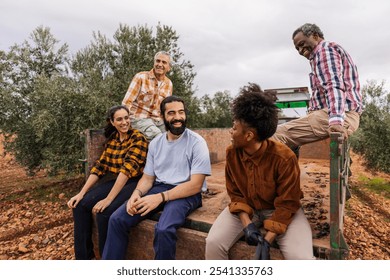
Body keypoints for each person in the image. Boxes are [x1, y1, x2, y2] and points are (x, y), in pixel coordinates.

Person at [205, 83, 315, 260]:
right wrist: (247, 225)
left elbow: (288, 202)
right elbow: (235, 193)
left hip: (280, 211)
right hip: (247, 209)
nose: (230, 132)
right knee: (213, 243)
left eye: (234, 128)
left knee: (301, 259)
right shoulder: (232, 153)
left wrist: (268, 239)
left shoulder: (284, 158)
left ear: (248, 136)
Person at [102, 95, 211, 260]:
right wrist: (136, 195)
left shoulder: (197, 142)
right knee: (117, 219)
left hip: (186, 192)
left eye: (181, 112)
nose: (177, 117)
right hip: (159, 187)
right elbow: (147, 178)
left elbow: (196, 185)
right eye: (172, 113)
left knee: (163, 229)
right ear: (163, 117)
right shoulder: (155, 143)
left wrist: (159, 198)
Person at [67, 105, 148, 260]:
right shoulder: (113, 140)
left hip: (134, 181)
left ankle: (107, 259)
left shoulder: (138, 138)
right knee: (80, 205)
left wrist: (108, 199)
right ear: (112, 122)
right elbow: (100, 167)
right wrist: (81, 193)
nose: (124, 122)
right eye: (119, 119)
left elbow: (126, 170)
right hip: (118, 180)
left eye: (126, 117)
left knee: (105, 212)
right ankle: (84, 258)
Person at [272, 23, 362, 153]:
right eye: (297, 48)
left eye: (302, 44)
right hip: (338, 115)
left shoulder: (324, 50)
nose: (300, 50)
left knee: (277, 134)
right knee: (290, 134)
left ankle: (264, 172)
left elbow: (333, 85)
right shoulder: (322, 54)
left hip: (341, 115)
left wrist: (336, 120)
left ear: (315, 36)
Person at [122, 51, 173, 141]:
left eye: (164, 62)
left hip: (158, 121)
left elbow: (167, 108)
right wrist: (124, 122)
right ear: (154, 63)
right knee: (157, 137)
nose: (160, 64)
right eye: (158, 61)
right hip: (139, 119)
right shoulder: (141, 77)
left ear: (169, 67)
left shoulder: (169, 83)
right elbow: (127, 102)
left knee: (173, 136)